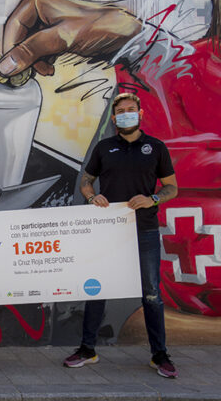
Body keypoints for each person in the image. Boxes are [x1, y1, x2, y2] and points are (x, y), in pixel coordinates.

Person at [63, 93, 178, 378]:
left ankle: (159, 354)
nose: (126, 114)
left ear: (140, 113)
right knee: (97, 289)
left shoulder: (156, 147)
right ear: (114, 118)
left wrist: (152, 199)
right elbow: (86, 180)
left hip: (145, 229)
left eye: (131, 109)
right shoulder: (104, 147)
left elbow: (171, 187)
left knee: (151, 293)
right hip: (108, 231)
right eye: (121, 111)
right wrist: (92, 197)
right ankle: (87, 350)